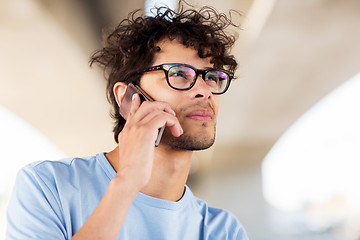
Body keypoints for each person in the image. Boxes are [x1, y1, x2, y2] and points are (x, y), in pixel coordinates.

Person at [6, 3, 249, 240]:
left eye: (213, 77)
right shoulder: (48, 187)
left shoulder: (224, 231)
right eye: (178, 74)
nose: (204, 91)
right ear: (129, 98)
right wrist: (127, 182)